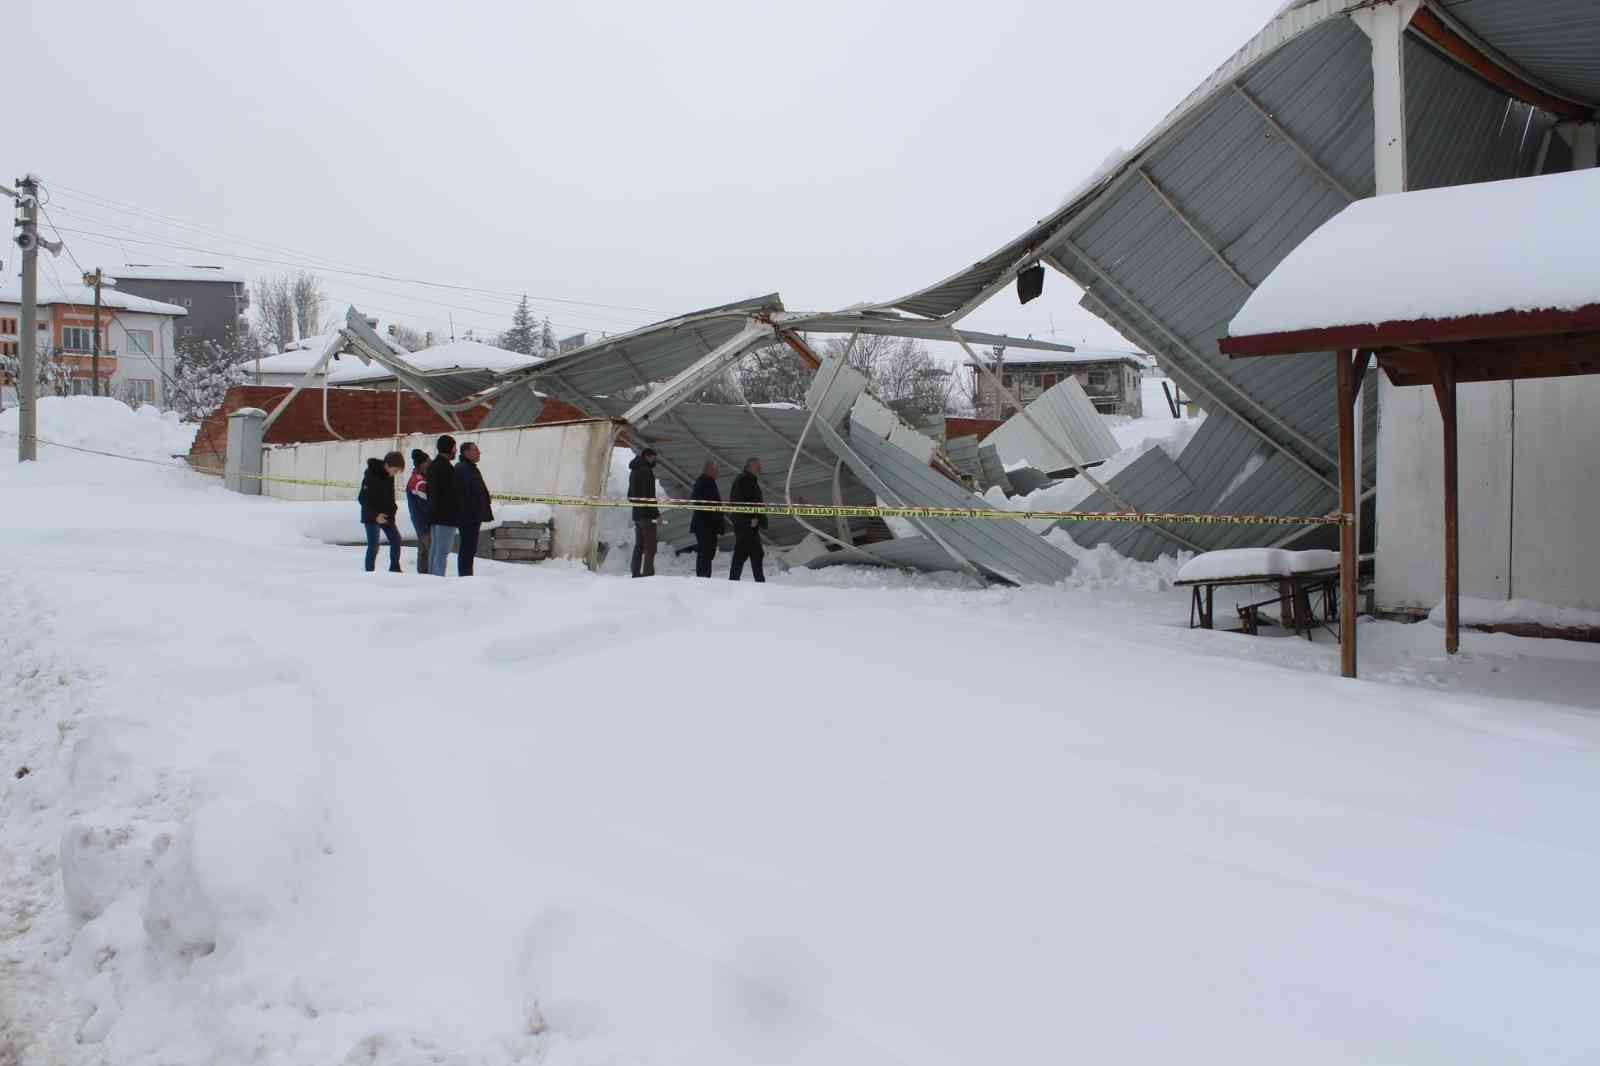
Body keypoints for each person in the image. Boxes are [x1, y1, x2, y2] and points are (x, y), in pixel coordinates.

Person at [358, 451, 405, 573]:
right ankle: (369, 572)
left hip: (385, 515)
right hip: (371, 515)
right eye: (395, 470)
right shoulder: (371, 475)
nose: (395, 474)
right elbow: (362, 498)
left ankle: (395, 569)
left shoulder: (389, 476)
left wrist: (392, 512)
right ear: (387, 465)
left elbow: (390, 497)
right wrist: (375, 516)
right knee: (373, 545)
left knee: (396, 539)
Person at [453, 441, 494, 576]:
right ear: (466, 453)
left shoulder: (470, 468)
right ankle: (465, 576)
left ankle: (466, 574)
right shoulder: (463, 469)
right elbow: (464, 494)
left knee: (470, 548)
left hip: (473, 515)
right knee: (467, 548)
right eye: (475, 450)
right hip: (468, 516)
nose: (479, 453)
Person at [728, 456, 768, 583]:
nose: (759, 468)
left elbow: (754, 502)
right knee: (753, 554)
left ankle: (734, 580)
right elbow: (739, 503)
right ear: (750, 466)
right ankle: (759, 582)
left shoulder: (749, 480)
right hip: (746, 525)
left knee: (744, 554)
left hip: (749, 525)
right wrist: (747, 521)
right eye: (757, 466)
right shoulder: (743, 481)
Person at [425, 435, 459, 576]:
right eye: (455, 447)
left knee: (435, 549)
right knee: (442, 551)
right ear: (450, 448)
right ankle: (437, 579)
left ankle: (432, 576)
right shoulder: (446, 468)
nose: (456, 450)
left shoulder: (432, 466)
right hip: (446, 516)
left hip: (434, 514)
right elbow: (451, 493)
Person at [627, 447, 661, 578]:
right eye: (653, 457)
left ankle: (635, 572)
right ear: (647, 456)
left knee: (639, 546)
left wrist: (638, 507)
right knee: (650, 547)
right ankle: (648, 575)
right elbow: (649, 496)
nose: (654, 460)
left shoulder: (634, 471)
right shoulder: (646, 472)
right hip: (647, 516)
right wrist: (656, 514)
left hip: (637, 515)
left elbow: (630, 495)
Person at [689, 460, 725, 578]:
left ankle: (704, 576)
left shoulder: (708, 482)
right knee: (705, 553)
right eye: (715, 470)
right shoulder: (704, 482)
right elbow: (699, 502)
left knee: (708, 553)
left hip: (707, 525)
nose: (717, 472)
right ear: (709, 470)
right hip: (705, 525)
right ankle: (703, 577)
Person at [405, 448, 431, 574]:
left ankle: (423, 576)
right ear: (422, 464)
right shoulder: (418, 481)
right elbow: (427, 501)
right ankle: (426, 576)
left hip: (420, 520)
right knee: (429, 550)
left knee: (424, 550)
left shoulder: (418, 478)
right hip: (423, 521)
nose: (430, 463)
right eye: (428, 461)